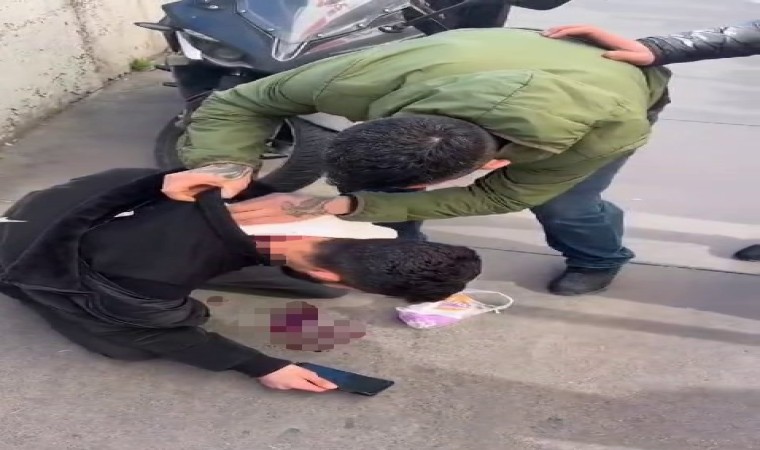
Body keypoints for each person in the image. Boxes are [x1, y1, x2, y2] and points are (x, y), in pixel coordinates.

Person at [161, 28, 672, 296]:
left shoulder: (607, 129)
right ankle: (395, 251)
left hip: (614, 83)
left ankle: (598, 260)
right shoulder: (360, 79)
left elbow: (506, 194)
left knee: (567, 206)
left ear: (479, 166)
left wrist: (345, 205)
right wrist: (224, 165)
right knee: (383, 187)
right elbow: (242, 102)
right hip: (472, 62)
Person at [0, 168, 481, 393]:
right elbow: (151, 331)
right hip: (27, 249)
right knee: (125, 346)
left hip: (99, 199)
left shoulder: (318, 212)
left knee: (317, 288)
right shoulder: (141, 282)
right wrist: (258, 365)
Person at [540, 22, 760, 262]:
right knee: (562, 199)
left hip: (616, 115)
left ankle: (597, 260)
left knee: (562, 201)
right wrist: (658, 48)